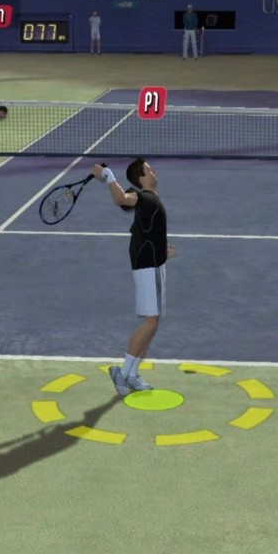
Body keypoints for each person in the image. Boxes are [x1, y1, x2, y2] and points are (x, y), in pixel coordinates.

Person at [91, 158, 175, 395]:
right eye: (148, 170)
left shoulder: (149, 201)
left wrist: (162, 249)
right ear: (141, 178)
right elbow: (122, 199)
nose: (153, 171)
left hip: (154, 264)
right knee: (150, 324)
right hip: (148, 267)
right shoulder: (144, 198)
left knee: (153, 324)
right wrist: (107, 176)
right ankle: (123, 373)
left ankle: (131, 374)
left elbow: (145, 229)